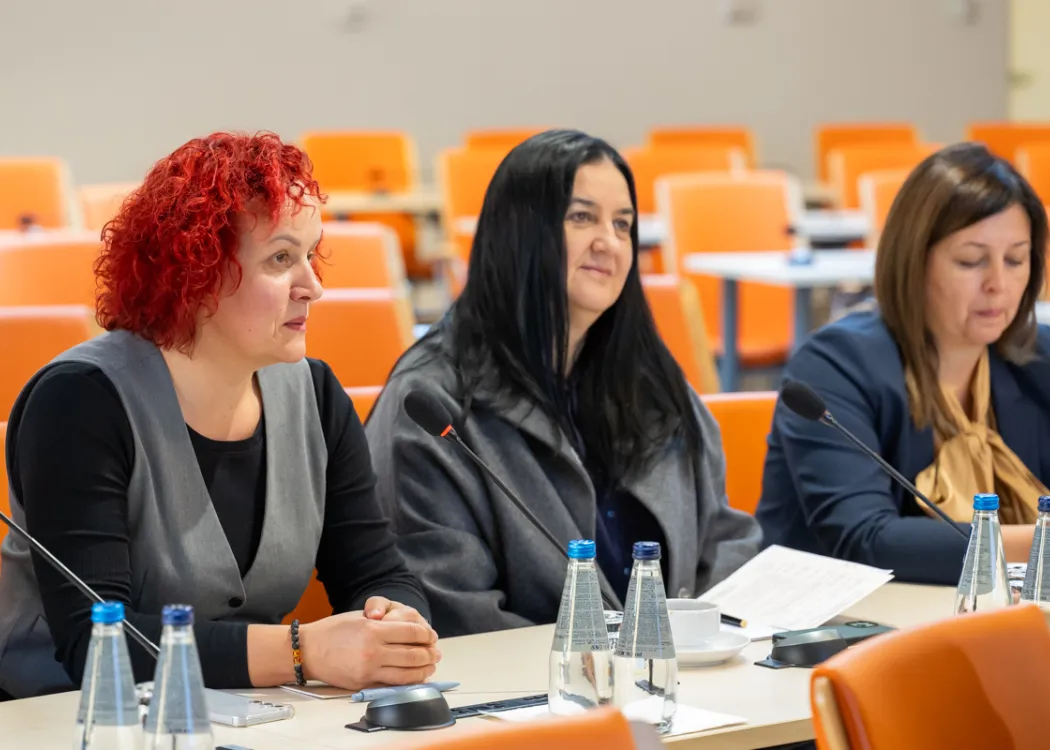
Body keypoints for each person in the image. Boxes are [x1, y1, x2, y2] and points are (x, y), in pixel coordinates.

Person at [0, 132, 440, 700]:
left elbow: (377, 572)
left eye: (310, 255)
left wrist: (392, 623)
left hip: (252, 715)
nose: (313, 287)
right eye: (281, 259)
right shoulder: (79, 402)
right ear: (196, 273)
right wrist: (303, 651)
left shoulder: (316, 393)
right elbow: (98, 641)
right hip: (62, 715)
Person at [365, 129, 761, 637]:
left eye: (623, 224)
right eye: (581, 217)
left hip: (679, 670)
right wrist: (602, 662)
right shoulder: (433, 405)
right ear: (518, 232)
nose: (609, 242)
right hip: (530, 681)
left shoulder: (651, 378)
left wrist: (708, 639)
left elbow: (726, 539)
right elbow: (452, 612)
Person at [757, 142, 1050, 585]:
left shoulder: (1037, 358)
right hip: (838, 618)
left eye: (1015, 259)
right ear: (914, 261)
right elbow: (866, 540)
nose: (998, 283)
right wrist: (1040, 542)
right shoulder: (834, 366)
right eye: (971, 261)